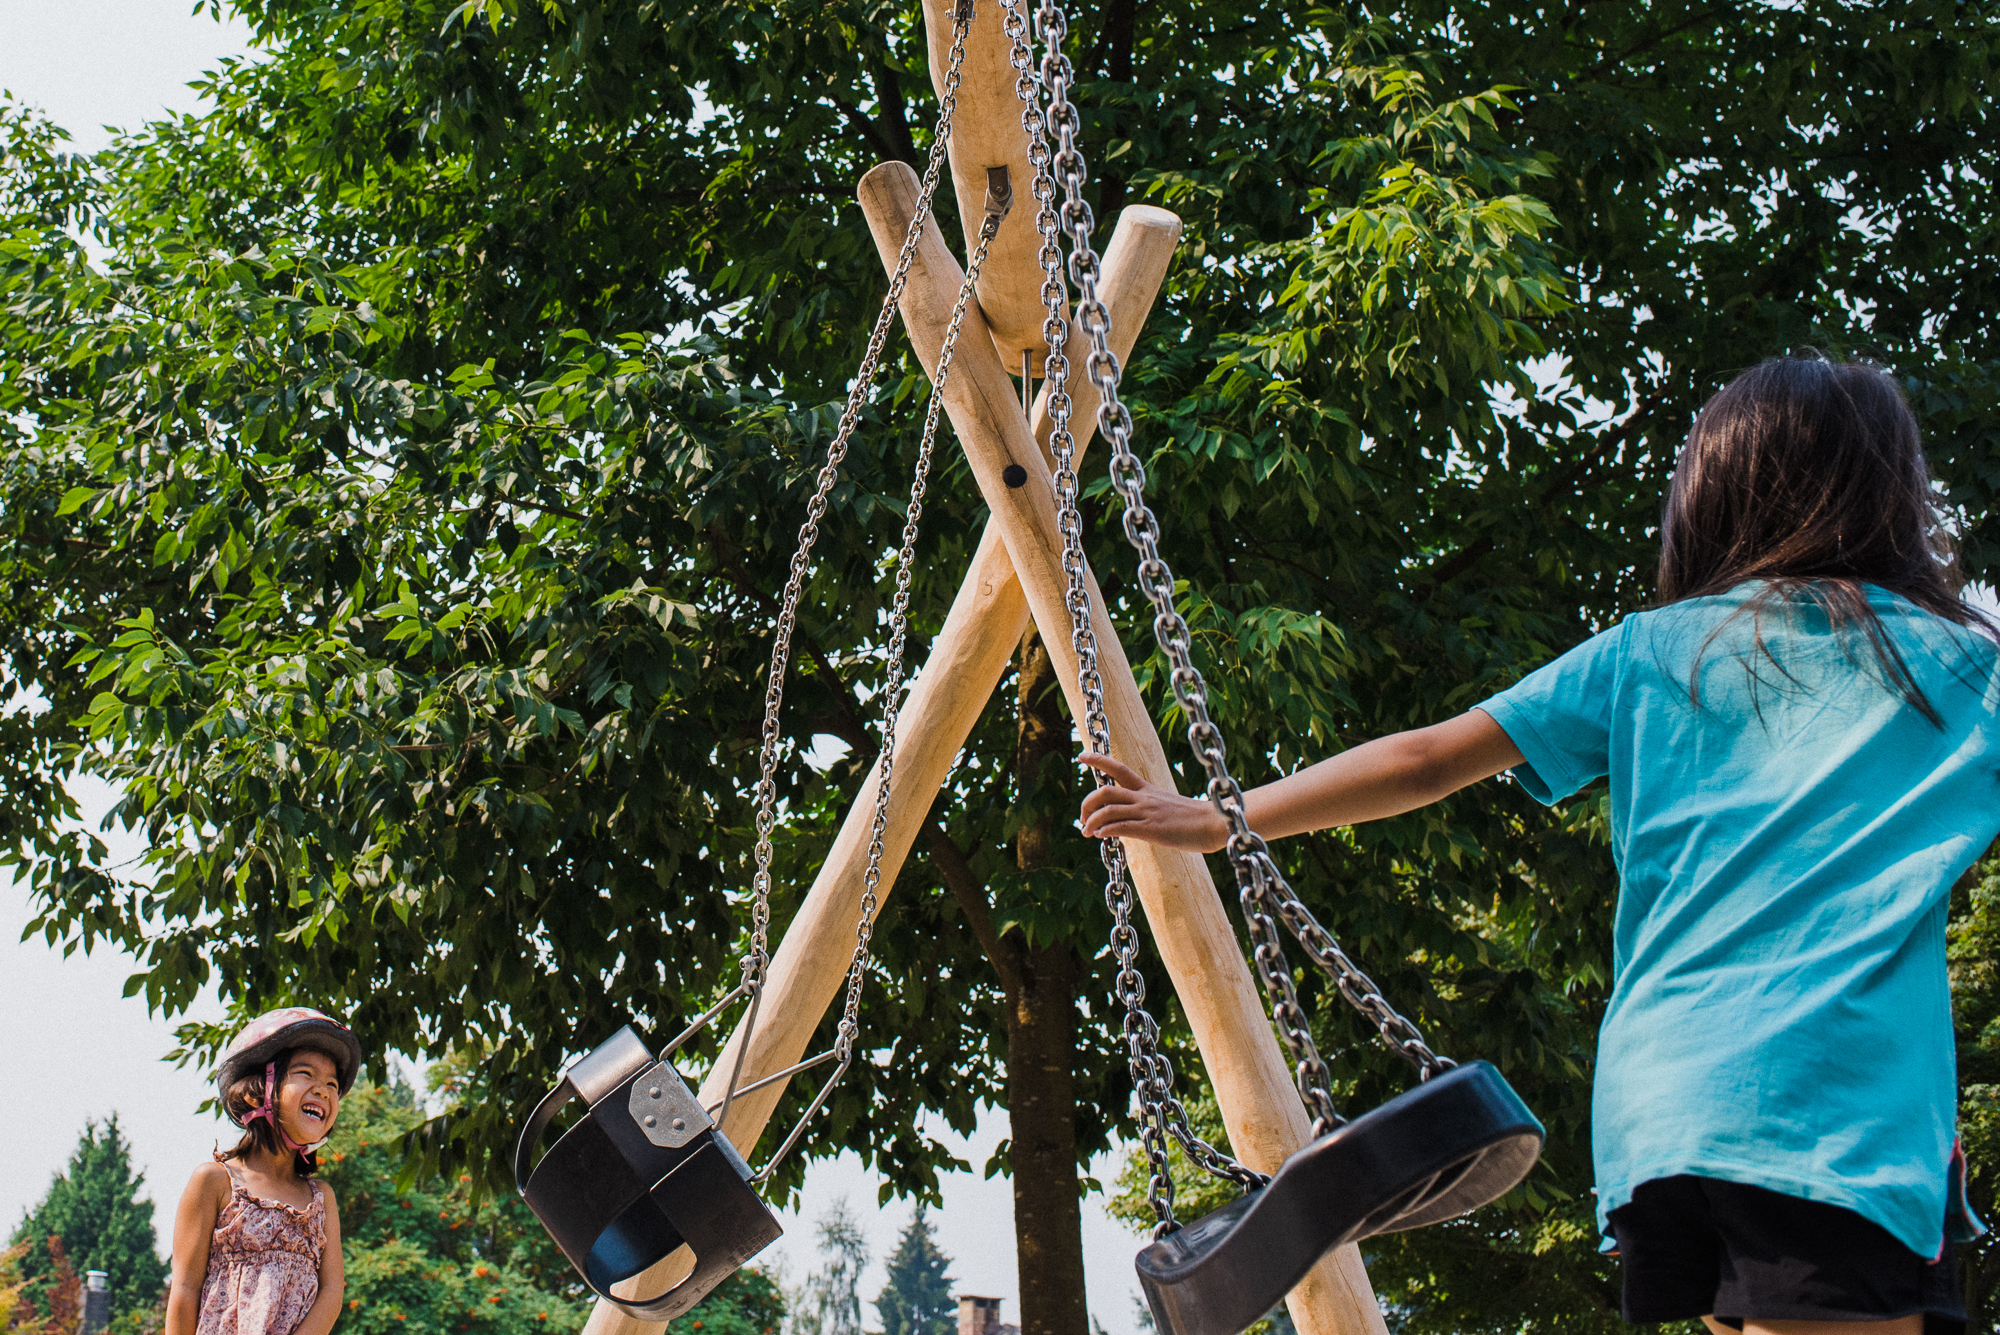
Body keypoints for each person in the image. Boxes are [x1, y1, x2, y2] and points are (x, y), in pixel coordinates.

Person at [1080, 356, 1994, 1335]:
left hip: (1665, 1114)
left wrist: (1218, 814)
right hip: (1830, 1114)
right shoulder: (1958, 669)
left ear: (1711, 495)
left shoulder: (1652, 650)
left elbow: (1424, 759)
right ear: (1893, 495)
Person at [164, 1008, 359, 1335]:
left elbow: (332, 1291)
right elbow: (184, 1290)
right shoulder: (214, 1181)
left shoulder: (321, 1198)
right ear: (260, 1089)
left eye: (331, 1083)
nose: (323, 1089)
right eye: (305, 1073)